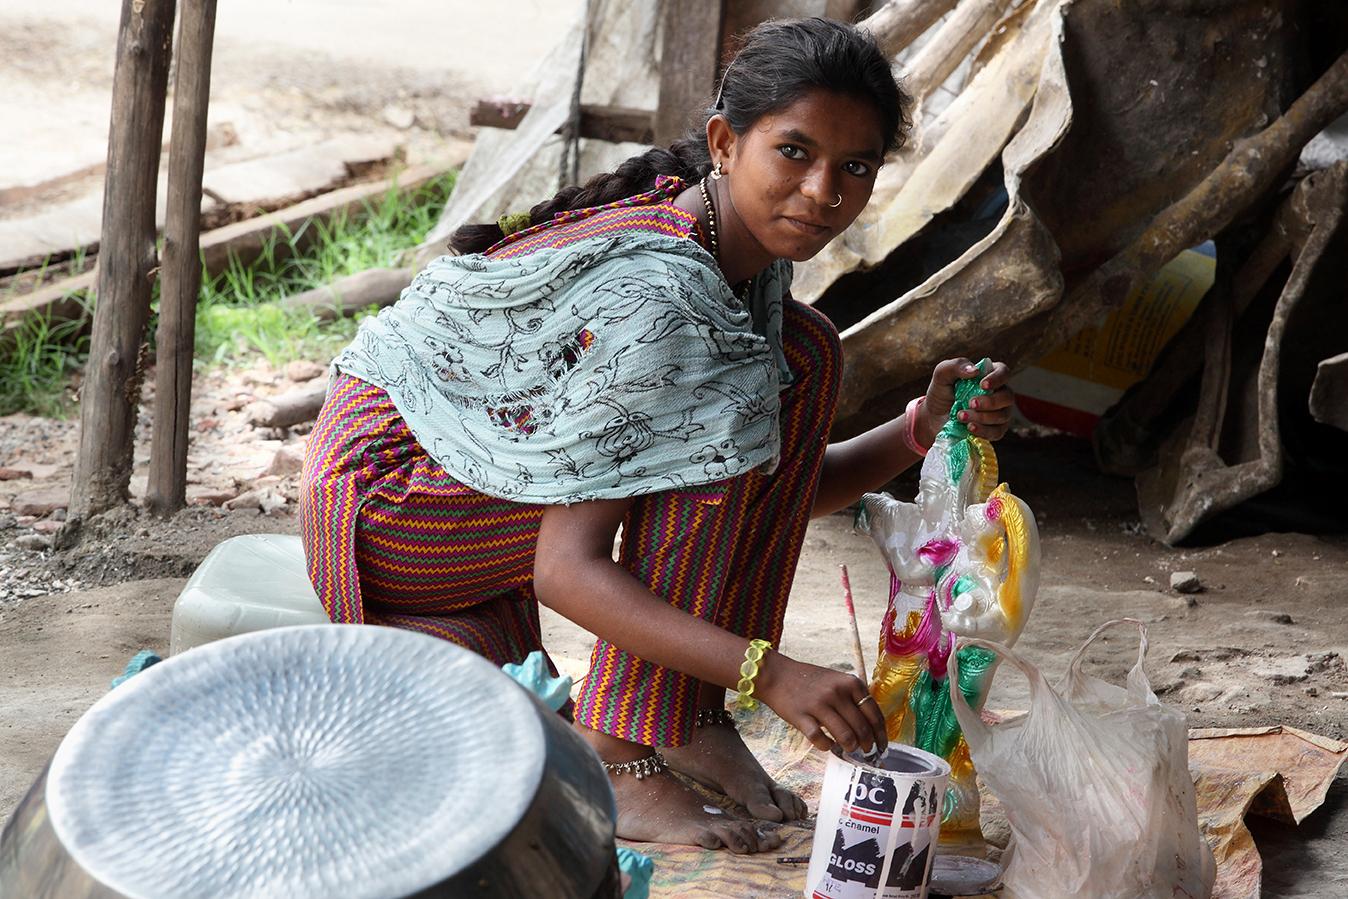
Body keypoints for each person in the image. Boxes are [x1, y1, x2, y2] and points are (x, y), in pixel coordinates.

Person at [299, 17, 1015, 854]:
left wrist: (917, 431)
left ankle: (680, 715)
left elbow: (768, 496)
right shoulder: (666, 304)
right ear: (724, 142)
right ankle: (618, 747)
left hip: (456, 486)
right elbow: (566, 571)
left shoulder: (738, 265)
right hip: (388, 506)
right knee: (721, 400)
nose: (824, 191)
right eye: (794, 152)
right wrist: (769, 671)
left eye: (854, 167)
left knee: (806, 351)